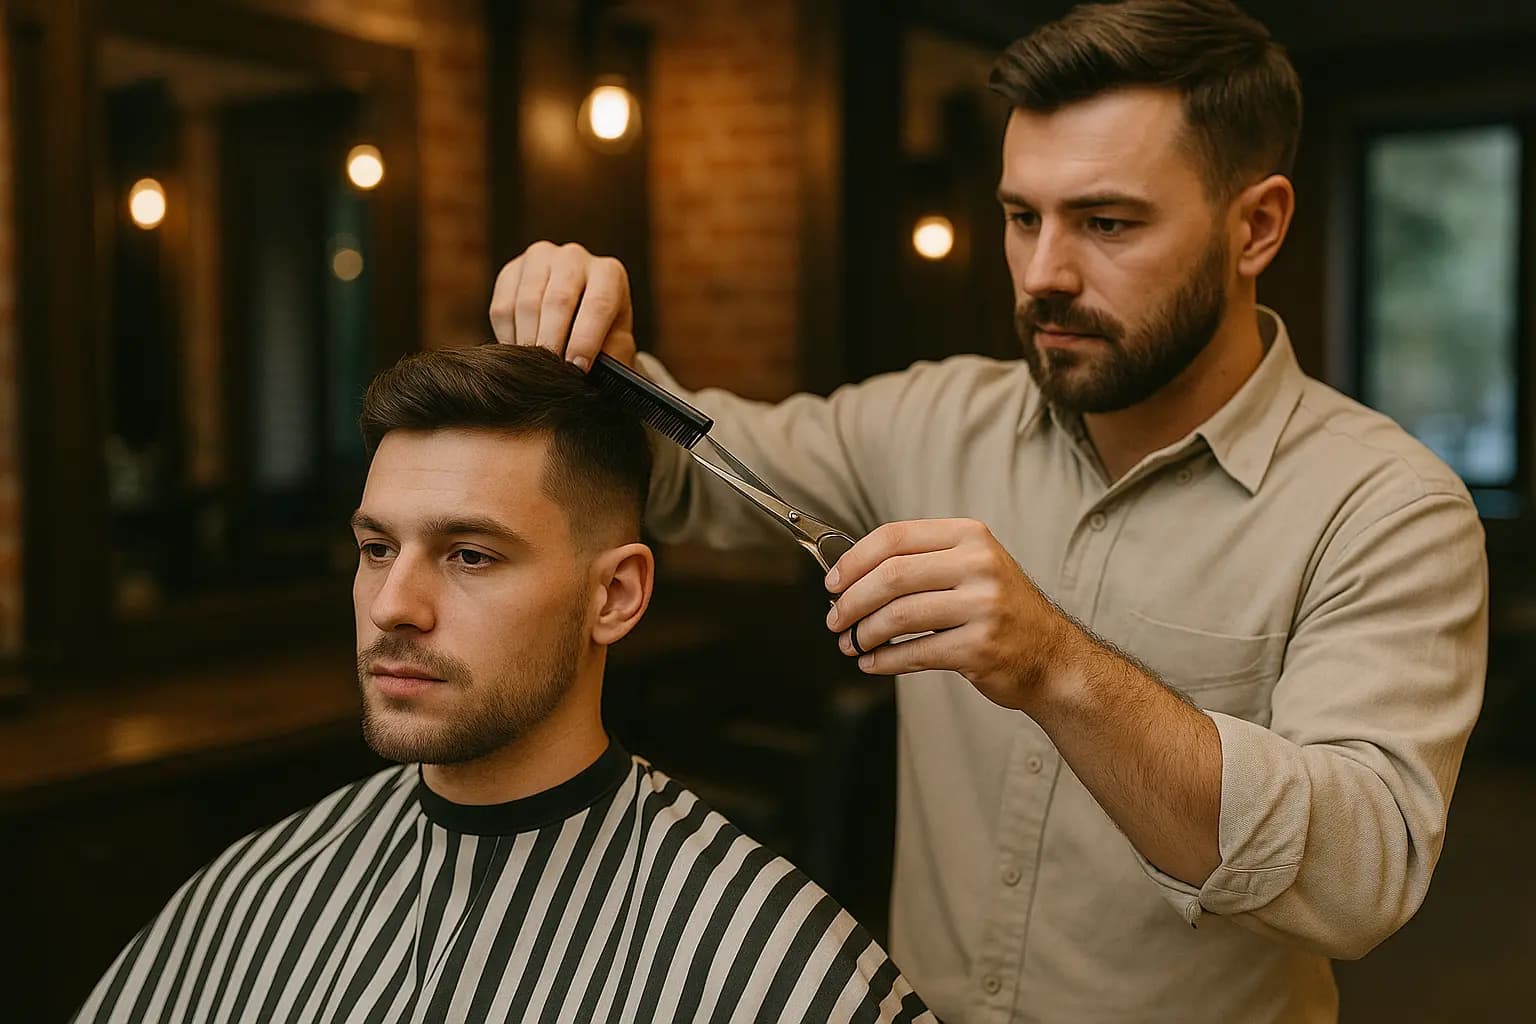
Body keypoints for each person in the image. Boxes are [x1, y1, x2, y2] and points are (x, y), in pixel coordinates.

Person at [487, 1, 1489, 1021]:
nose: (1045, 274)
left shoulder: (1386, 507)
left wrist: (1056, 667)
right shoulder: (932, 416)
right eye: (1022, 217)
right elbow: (694, 474)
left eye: (1107, 222)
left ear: (1257, 225)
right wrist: (602, 359)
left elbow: (1360, 877)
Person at [73, 345, 934, 1024]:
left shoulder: (769, 961)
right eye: (377, 549)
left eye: (470, 555)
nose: (394, 606)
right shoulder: (259, 889)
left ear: (616, 595)